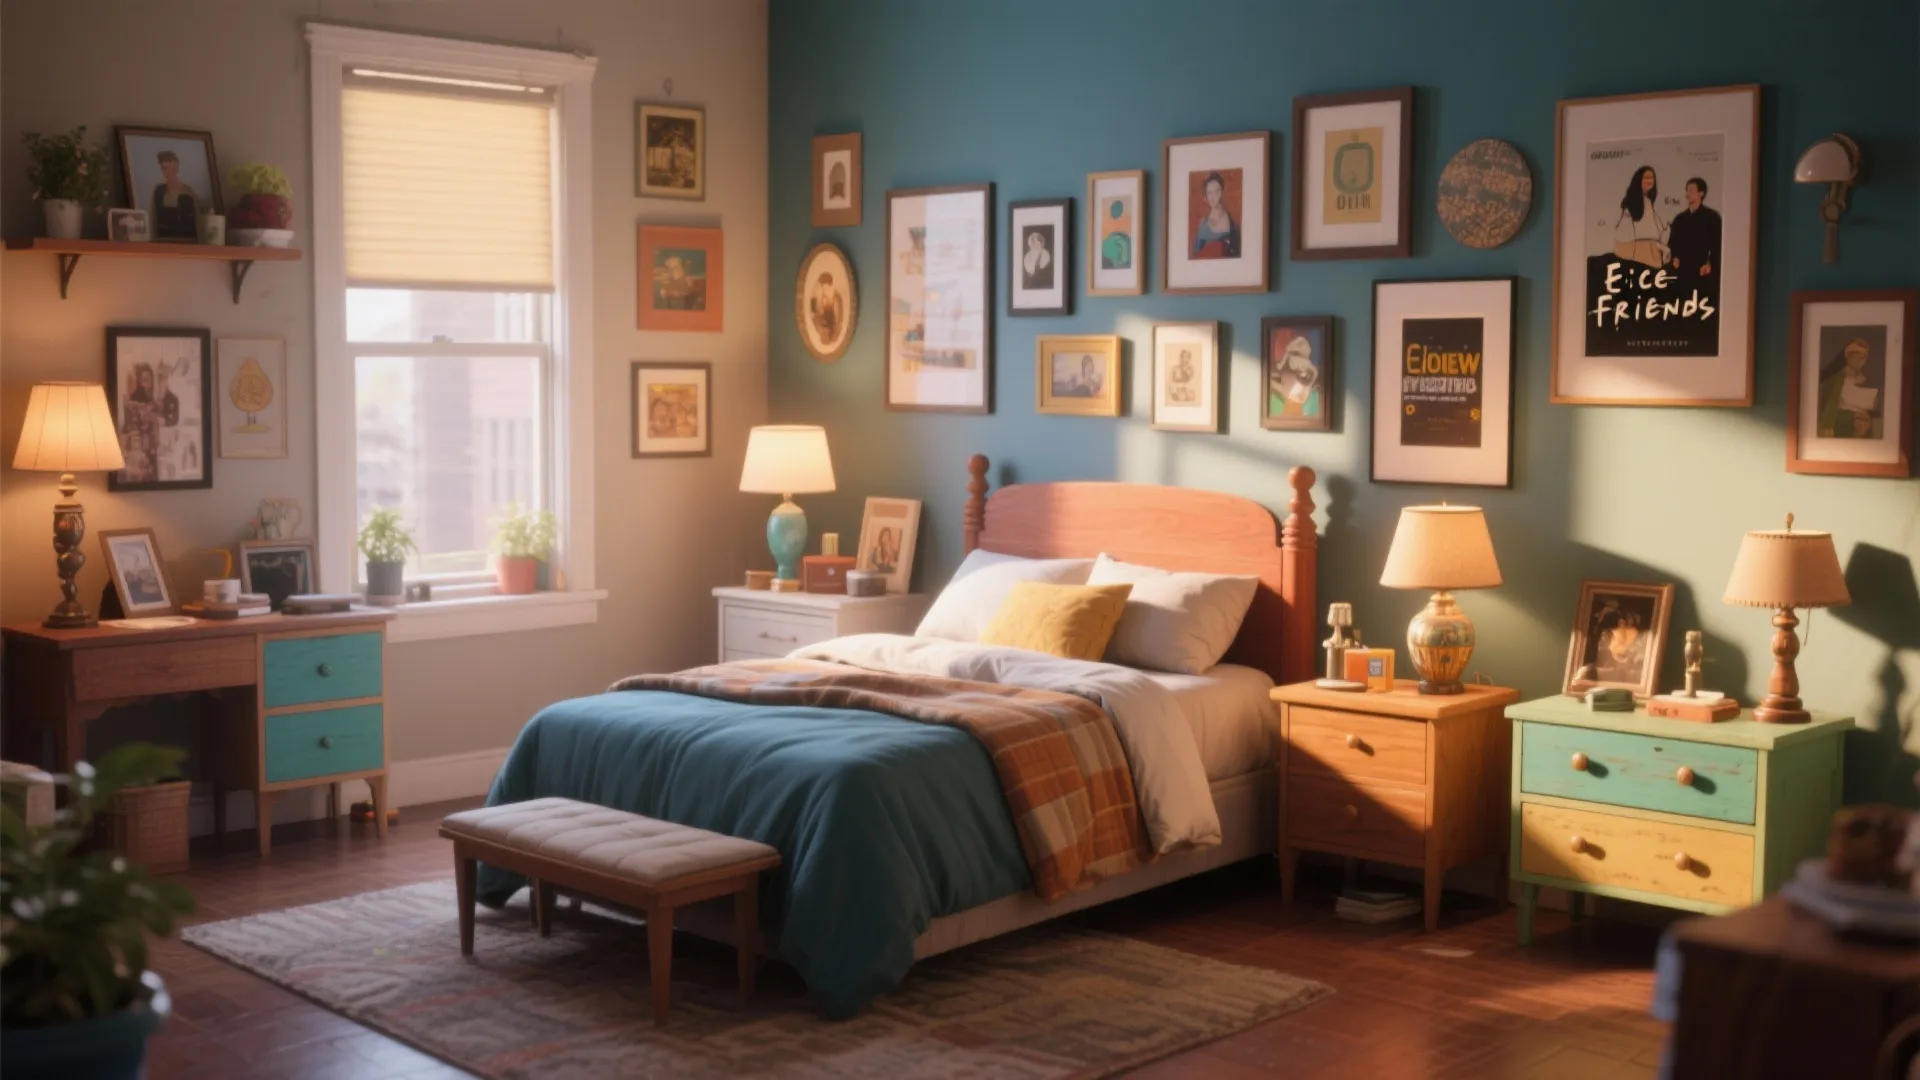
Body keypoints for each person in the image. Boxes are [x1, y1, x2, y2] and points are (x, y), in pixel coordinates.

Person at [1818, 338, 1880, 439]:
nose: (1860, 360)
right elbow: (1826, 412)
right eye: (1856, 356)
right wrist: (1853, 416)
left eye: (1863, 357)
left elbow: (1875, 410)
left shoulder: (1867, 382)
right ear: (1848, 356)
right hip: (1839, 431)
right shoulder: (1834, 382)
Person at [1611, 165, 1668, 268]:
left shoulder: (1646, 201)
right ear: (1638, 180)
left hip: (1645, 250)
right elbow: (1647, 231)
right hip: (1639, 251)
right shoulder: (1636, 202)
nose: (1650, 180)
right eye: (1646, 177)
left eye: (1652, 177)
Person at [1667, 177, 1720, 286]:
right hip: (1681, 271)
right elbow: (1672, 243)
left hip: (1702, 271)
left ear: (1701, 193)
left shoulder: (1712, 217)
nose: (1687, 194)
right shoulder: (1679, 219)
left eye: (1691, 191)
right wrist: (1675, 257)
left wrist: (1709, 264)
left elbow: (1717, 245)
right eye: (1687, 190)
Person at [1269, 334, 1320, 419]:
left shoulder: (1305, 363)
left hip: (1295, 390)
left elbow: (1314, 372)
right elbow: (1280, 366)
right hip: (1290, 387)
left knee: (1274, 383)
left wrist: (1309, 383)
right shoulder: (1289, 357)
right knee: (1274, 381)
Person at [150, 150, 198, 240]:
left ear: (176, 168)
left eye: (169, 168)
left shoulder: (188, 191)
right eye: (163, 168)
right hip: (162, 242)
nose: (166, 173)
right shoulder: (158, 191)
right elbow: (153, 220)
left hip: (186, 242)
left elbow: (198, 220)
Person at [1191, 172, 1239, 258]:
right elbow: (1196, 257)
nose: (1214, 196)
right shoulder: (1202, 224)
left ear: (1223, 191)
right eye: (1210, 193)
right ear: (1206, 197)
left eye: (1217, 191)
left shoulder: (1234, 225)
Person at [808, 271, 843, 344]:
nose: (824, 289)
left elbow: (838, 313)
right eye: (822, 285)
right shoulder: (819, 325)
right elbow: (814, 311)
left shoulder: (835, 296)